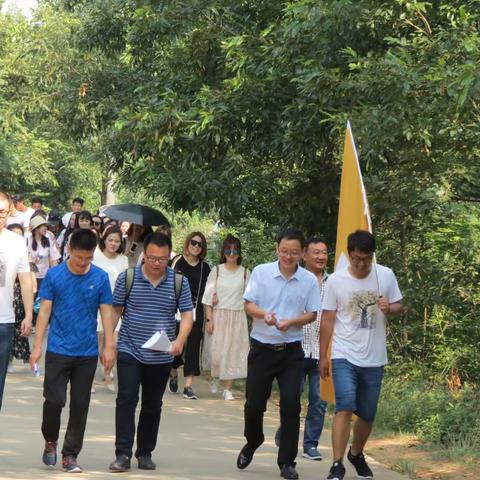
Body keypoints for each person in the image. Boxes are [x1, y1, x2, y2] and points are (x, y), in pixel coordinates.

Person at [237, 228, 321, 480]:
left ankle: (287, 462)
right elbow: (248, 304)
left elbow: (312, 313)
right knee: (253, 405)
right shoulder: (262, 272)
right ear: (277, 250)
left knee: (291, 406)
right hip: (262, 348)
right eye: (284, 251)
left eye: (294, 252)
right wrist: (265, 315)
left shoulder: (308, 280)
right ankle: (253, 440)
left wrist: (292, 321)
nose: (288, 256)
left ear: (301, 253)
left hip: (292, 353)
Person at [29, 229, 115, 473]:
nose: (83, 263)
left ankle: (70, 454)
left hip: (86, 352)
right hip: (58, 349)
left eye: (88, 258)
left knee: (80, 405)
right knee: (54, 401)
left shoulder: (99, 278)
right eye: (79, 257)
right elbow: (44, 311)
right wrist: (37, 348)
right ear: (69, 251)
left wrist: (109, 346)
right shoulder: (55, 276)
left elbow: (107, 311)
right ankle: (50, 440)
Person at [320, 230, 403, 480]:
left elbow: (400, 305)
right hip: (344, 354)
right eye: (356, 258)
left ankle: (356, 454)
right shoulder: (336, 280)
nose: (361, 264)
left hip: (374, 357)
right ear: (349, 254)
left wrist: (390, 308)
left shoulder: (385, 276)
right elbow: (327, 319)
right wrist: (323, 355)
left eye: (366, 258)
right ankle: (337, 464)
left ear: (372, 255)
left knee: (367, 414)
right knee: (344, 406)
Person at [108, 232, 194, 472]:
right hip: (129, 348)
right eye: (153, 258)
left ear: (170, 257)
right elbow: (115, 311)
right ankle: (122, 453)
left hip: (161, 353)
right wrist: (108, 344)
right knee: (126, 399)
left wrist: (180, 341)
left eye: (163, 259)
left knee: (152, 404)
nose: (157, 263)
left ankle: (145, 452)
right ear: (144, 255)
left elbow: (188, 316)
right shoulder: (128, 278)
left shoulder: (179, 282)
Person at [275, 237, 329, 460]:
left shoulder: (334, 283)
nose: (320, 257)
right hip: (296, 349)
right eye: (315, 252)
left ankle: (310, 444)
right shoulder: (297, 280)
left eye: (324, 252)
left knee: (318, 401)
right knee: (292, 399)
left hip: (322, 352)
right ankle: (285, 434)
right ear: (304, 255)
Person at [202, 234, 250, 400]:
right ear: (224, 252)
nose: (232, 253)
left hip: (237, 317)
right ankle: (216, 377)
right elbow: (207, 298)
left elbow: (250, 298)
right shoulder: (216, 271)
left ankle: (227, 389)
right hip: (219, 316)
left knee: (232, 353)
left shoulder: (245, 273)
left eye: (235, 249)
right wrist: (209, 319)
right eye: (228, 249)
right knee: (216, 354)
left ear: (239, 252)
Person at [0, 192, 34, 411]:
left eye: (2, 212)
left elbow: (25, 281)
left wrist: (29, 314)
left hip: (4, 322)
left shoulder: (17, 242)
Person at [169, 231, 211, 399]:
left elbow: (208, 292)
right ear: (188, 243)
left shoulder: (205, 268)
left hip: (195, 309)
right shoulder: (177, 261)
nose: (196, 246)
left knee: (193, 344)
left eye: (200, 244)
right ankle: (173, 371)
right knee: (176, 344)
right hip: (176, 309)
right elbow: (168, 282)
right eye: (194, 242)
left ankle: (188, 385)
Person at [93, 225, 128, 391]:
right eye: (110, 240)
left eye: (117, 241)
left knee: (112, 344)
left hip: (115, 308)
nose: (113, 243)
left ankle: (107, 374)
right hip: (96, 306)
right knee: (97, 343)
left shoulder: (123, 260)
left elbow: (126, 284)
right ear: (104, 240)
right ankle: (91, 378)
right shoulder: (95, 257)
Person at [6, 224, 32, 372]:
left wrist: (29, 314)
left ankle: (9, 359)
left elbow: (28, 280)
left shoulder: (21, 251)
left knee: (15, 332)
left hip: (16, 300)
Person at [27, 215, 61, 297]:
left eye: (46, 226)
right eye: (43, 226)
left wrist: (55, 277)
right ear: (36, 228)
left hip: (45, 278)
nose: (45, 228)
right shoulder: (27, 240)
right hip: (30, 278)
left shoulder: (48, 240)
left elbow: (54, 260)